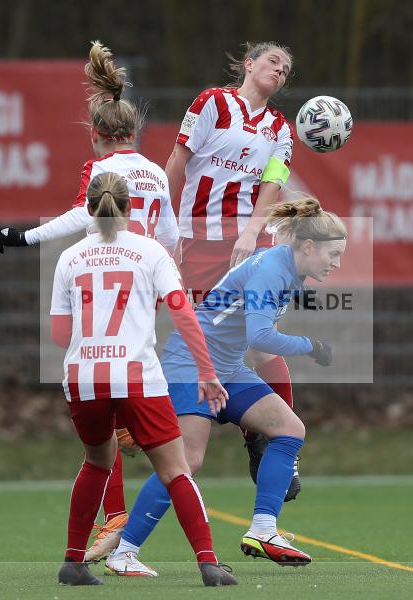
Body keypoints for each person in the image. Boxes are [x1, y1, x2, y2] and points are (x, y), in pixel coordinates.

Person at [0, 41, 179, 562]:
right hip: (144, 294)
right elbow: (171, 236)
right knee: (126, 406)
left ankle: (115, 516)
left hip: (103, 292)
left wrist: (19, 237)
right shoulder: (158, 173)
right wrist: (165, 284)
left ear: (95, 135)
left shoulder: (100, 174)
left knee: (99, 400)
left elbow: (79, 219)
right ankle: (125, 513)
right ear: (134, 133)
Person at [105, 198, 345, 577]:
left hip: (227, 367)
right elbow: (262, 335)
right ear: (308, 246)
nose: (337, 262)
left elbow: (253, 335)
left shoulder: (290, 269)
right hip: (192, 362)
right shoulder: (273, 269)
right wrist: (311, 347)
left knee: (289, 429)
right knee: (186, 462)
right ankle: (124, 552)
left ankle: (264, 531)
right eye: (333, 253)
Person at [51, 170, 236, 587]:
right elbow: (182, 312)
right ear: (132, 209)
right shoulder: (151, 252)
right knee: (175, 469)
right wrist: (206, 372)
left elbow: (60, 334)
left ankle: (72, 561)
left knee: (96, 462)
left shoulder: (70, 257)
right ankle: (208, 563)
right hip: (138, 377)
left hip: (84, 377)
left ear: (88, 208)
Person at [163, 42, 302, 500]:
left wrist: (251, 234)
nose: (279, 71)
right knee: (201, 339)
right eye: (272, 62)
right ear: (249, 64)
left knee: (261, 338)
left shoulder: (281, 128)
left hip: (251, 241)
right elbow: (178, 162)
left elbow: (272, 185)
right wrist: (161, 224)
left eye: (285, 69)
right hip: (201, 239)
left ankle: (265, 441)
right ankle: (164, 430)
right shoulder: (211, 103)